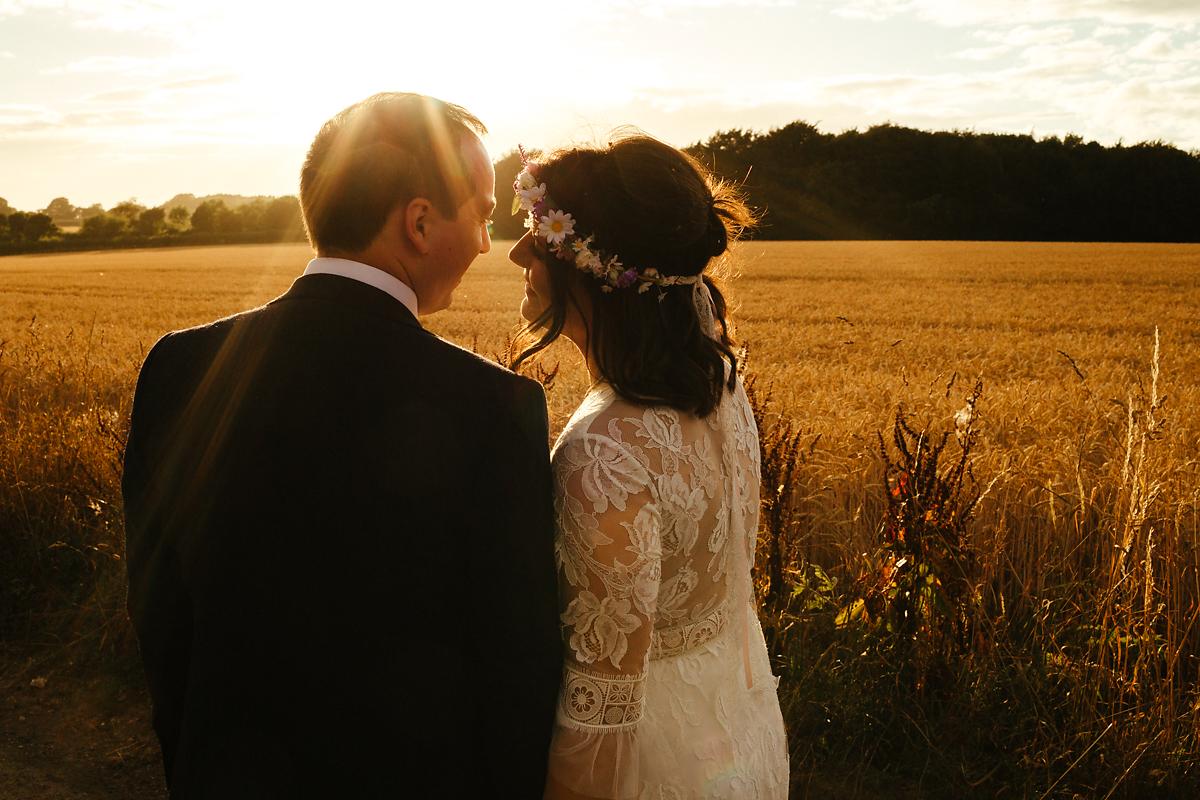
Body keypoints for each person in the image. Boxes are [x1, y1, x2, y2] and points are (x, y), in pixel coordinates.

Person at [122, 92, 562, 799]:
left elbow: (160, 612)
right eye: (482, 214)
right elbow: (516, 660)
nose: (488, 243)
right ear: (418, 221)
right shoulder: (492, 406)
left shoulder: (179, 367)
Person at [507, 133, 789, 799]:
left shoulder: (605, 454)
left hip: (656, 767)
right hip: (739, 732)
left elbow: (602, 711)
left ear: (599, 267)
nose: (517, 251)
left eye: (540, 235)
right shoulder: (721, 382)